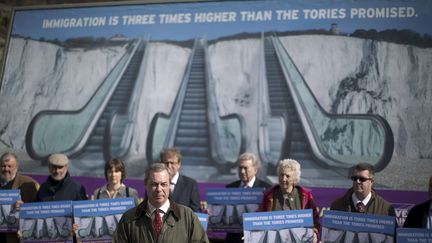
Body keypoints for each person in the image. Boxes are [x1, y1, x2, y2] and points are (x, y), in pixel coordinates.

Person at [112, 163, 209, 242]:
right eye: (154, 184)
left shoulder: (187, 216)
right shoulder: (129, 218)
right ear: (145, 185)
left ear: (169, 186)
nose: (159, 189)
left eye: (163, 184)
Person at [259, 159, 320, 242]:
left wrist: (314, 233)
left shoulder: (305, 196)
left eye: (287, 176)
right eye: (281, 175)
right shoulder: (268, 195)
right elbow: (260, 219)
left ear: (295, 178)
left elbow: (315, 220)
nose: (283, 179)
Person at [225, 152, 272, 243]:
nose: (242, 171)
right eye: (240, 168)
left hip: (257, 238)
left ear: (255, 169)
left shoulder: (267, 189)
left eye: (245, 168)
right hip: (233, 238)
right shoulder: (230, 188)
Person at [0, 152, 39, 243]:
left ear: (16, 167)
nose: (6, 169)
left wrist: (24, 208)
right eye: (3, 166)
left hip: (16, 237)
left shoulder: (28, 183)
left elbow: (38, 210)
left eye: (10, 166)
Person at [330, 162, 396, 216]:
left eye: (362, 179)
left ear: (371, 182)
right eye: (355, 178)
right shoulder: (337, 206)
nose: (357, 181)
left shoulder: (385, 209)